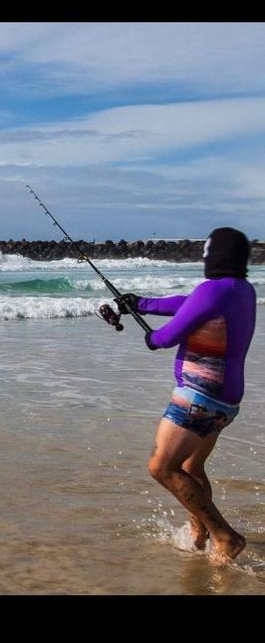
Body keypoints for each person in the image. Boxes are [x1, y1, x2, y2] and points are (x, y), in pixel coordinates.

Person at [115, 227, 256, 563]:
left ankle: (225, 536)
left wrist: (152, 339)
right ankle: (200, 534)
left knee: (161, 466)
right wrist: (141, 304)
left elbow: (166, 337)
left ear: (214, 254)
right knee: (192, 466)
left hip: (199, 396)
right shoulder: (241, 290)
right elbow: (189, 305)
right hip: (226, 399)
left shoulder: (213, 290)